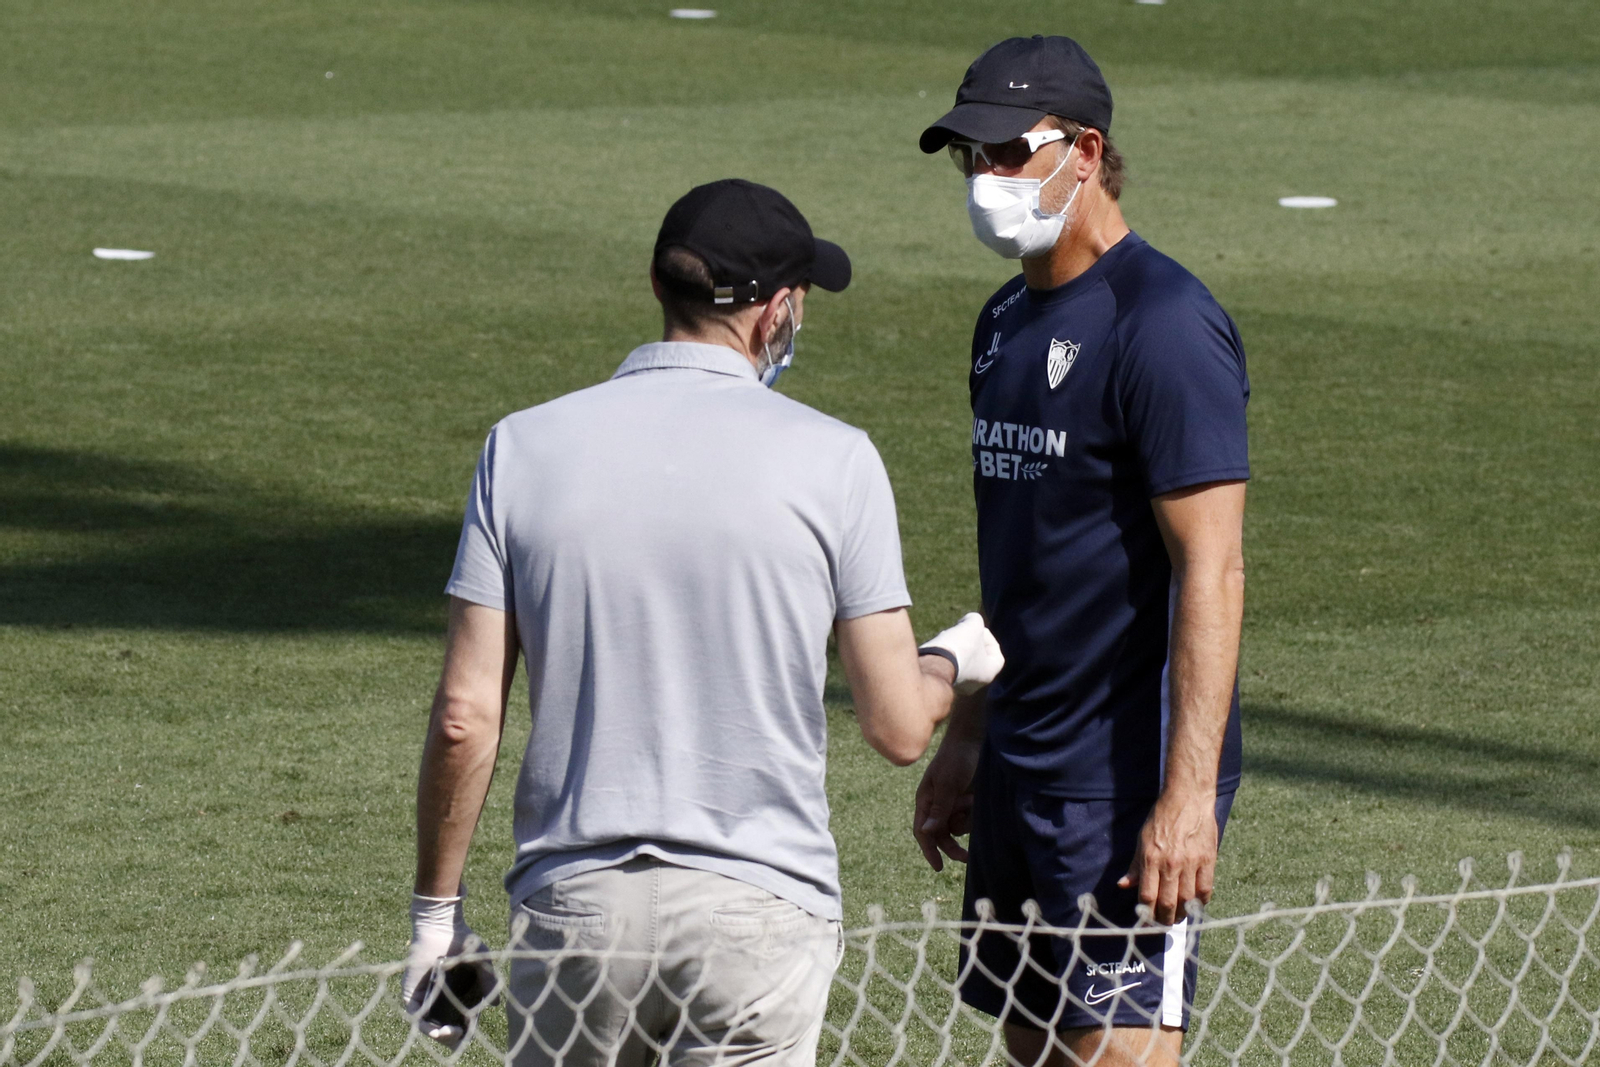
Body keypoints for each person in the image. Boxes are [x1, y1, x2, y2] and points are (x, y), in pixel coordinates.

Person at [401, 178, 1005, 1067]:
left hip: (574, 915)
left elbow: (464, 717)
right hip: (758, 918)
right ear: (778, 311)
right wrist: (958, 657)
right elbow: (898, 726)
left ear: (659, 287)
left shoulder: (520, 447)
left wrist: (434, 920)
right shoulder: (835, 458)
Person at [911, 35, 1250, 1067]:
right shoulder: (1003, 320)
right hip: (1022, 759)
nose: (986, 180)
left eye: (1009, 153)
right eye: (972, 158)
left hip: (1119, 775)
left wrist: (1185, 795)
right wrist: (971, 730)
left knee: (1117, 1056)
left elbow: (1213, 569)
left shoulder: (1164, 324)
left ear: (1086, 150)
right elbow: (1017, 559)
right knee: (1033, 1045)